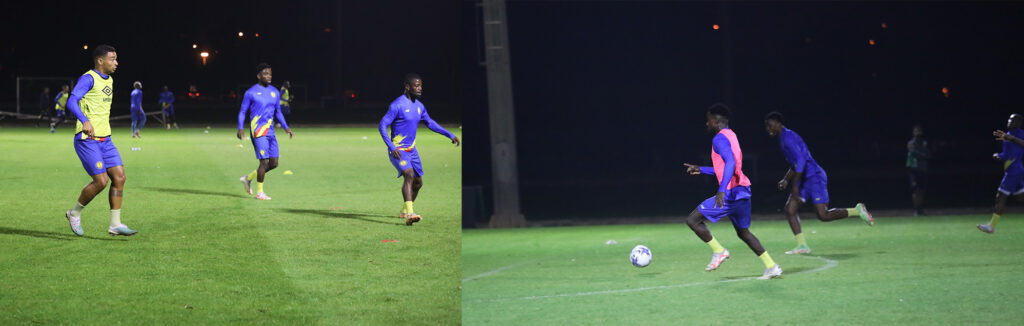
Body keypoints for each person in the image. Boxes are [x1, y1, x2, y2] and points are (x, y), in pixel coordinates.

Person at [682, 104, 781, 279]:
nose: (707, 124)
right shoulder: (732, 135)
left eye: (708, 120)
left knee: (693, 220)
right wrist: (702, 169)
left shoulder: (719, 139)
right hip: (743, 191)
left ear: (715, 120)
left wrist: (722, 190)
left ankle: (719, 251)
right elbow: (727, 167)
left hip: (730, 194)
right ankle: (772, 266)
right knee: (744, 232)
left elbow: (731, 163)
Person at [763, 111, 872, 255]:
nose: (768, 129)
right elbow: (795, 163)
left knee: (823, 215)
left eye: (770, 126)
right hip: (804, 178)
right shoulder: (781, 138)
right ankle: (802, 245)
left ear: (779, 124)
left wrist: (794, 185)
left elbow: (801, 161)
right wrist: (786, 179)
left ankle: (856, 210)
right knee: (790, 209)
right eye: (766, 127)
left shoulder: (788, 138)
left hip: (814, 177)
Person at [64, 44, 137, 237]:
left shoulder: (110, 80)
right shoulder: (88, 78)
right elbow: (71, 101)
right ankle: (74, 213)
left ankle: (115, 224)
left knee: (120, 177)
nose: (116, 63)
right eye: (112, 59)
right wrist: (85, 120)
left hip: (106, 139)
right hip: (87, 139)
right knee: (101, 181)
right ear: (100, 60)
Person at [378, 73, 460, 226]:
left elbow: (430, 123)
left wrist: (450, 135)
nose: (420, 88)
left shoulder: (419, 106)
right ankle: (410, 214)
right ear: (407, 87)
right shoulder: (397, 105)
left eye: (421, 85)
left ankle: (404, 210)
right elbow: (382, 125)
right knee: (408, 174)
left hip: (412, 150)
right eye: (416, 85)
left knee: (418, 183)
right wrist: (391, 146)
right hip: (398, 150)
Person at [237, 63, 293, 200]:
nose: (269, 76)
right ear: (259, 76)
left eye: (270, 73)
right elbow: (243, 111)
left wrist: (286, 127)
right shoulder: (250, 92)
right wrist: (240, 127)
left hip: (270, 131)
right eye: (266, 74)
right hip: (258, 131)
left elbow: (278, 112)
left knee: (274, 163)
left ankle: (248, 178)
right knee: (263, 163)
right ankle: (260, 193)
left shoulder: (274, 92)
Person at [979, 113, 1024, 234]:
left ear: (1019, 123)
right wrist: (999, 156)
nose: (1010, 121)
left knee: (1001, 196)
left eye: (1013, 120)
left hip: (1014, 172)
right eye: (1009, 119)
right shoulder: (1008, 135)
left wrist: (1013, 139)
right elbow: (1008, 154)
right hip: (1013, 171)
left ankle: (991, 226)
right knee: (1021, 198)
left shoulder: (1019, 133)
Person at [907, 124, 931, 216]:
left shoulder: (924, 142)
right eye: (916, 130)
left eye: (919, 130)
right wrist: (923, 155)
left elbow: (929, 154)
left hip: (923, 169)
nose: (918, 133)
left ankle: (921, 208)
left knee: (922, 190)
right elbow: (913, 153)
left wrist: (925, 155)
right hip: (914, 170)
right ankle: (916, 209)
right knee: (915, 190)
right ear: (913, 132)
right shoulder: (911, 143)